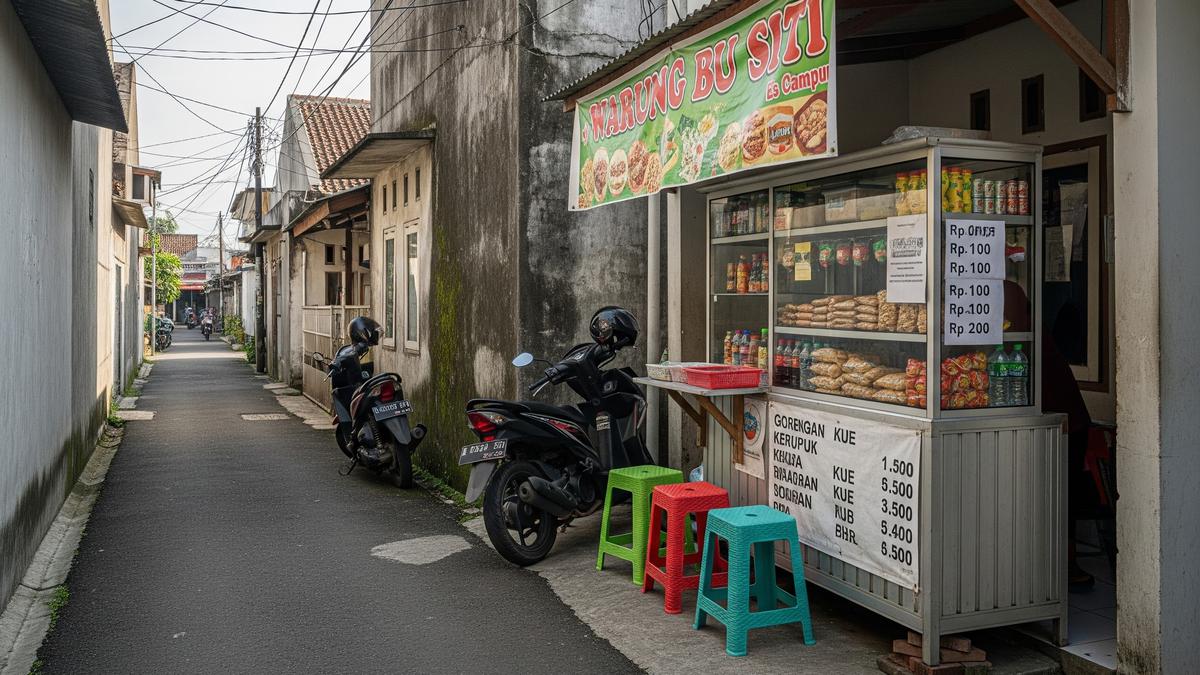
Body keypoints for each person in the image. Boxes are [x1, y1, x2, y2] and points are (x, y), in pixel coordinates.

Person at [1004, 280, 1096, 589]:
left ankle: (1065, 566)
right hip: (1044, 405)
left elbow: (1004, 340)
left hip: (1056, 409)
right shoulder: (1005, 290)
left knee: (1056, 496)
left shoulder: (1004, 293)